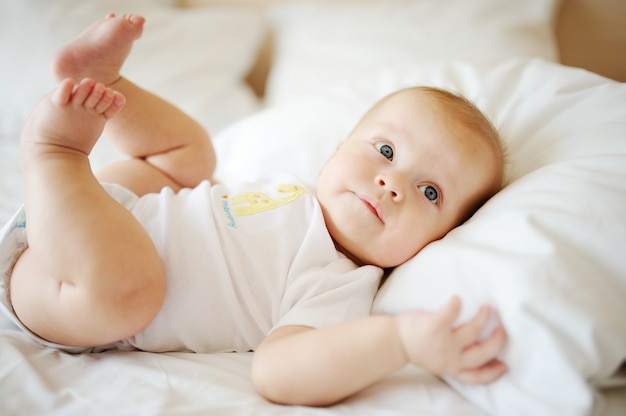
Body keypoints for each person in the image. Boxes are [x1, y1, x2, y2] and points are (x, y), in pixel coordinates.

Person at [2, 13, 508, 406]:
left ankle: (54, 153)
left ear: (445, 237)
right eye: (386, 151)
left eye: (430, 193)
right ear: (337, 149)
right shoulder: (291, 190)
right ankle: (106, 82)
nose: (391, 183)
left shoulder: (340, 283)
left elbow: (278, 372)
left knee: (132, 292)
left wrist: (398, 341)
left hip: (67, 289)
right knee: (193, 158)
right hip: (97, 212)